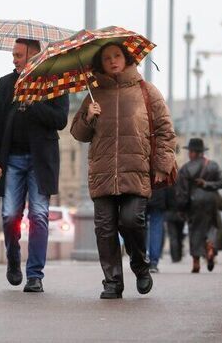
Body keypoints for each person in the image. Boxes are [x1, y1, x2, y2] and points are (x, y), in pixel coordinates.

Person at [70, 42, 176, 299]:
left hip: (136, 170)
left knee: (132, 221)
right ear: (100, 64)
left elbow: (165, 130)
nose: (113, 61)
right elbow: (78, 134)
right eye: (107, 58)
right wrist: (88, 117)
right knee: (105, 229)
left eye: (117, 56)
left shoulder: (147, 92)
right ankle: (112, 282)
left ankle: (140, 266)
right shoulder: (94, 95)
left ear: (127, 58)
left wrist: (162, 165)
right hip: (103, 173)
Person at [0, 38, 69, 293]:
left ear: (34, 55)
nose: (14, 59)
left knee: (39, 216)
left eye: (19, 55)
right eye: (13, 54)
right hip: (12, 160)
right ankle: (13, 258)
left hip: (40, 161)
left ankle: (35, 275)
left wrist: (33, 102)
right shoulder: (6, 83)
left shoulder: (55, 82)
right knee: (10, 215)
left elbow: (60, 120)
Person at [175, 137, 222, 273]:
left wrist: (181, 208)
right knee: (212, 227)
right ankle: (210, 247)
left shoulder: (185, 169)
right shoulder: (213, 165)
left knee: (195, 230)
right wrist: (208, 184)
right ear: (202, 152)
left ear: (192, 152)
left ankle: (196, 262)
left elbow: (182, 192)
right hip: (212, 199)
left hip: (194, 201)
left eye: (189, 151)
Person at [145, 188, 168, 273]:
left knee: (141, 227)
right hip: (159, 194)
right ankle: (154, 262)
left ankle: (143, 257)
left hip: (141, 194)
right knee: (156, 228)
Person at [164, 183, 186, 263]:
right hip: (181, 215)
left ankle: (174, 257)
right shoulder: (182, 186)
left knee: (173, 236)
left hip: (170, 214)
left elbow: (165, 200)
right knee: (179, 236)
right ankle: (179, 255)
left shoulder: (168, 187)